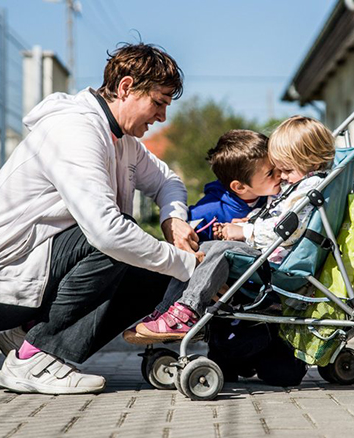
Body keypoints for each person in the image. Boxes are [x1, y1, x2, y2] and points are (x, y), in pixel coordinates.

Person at [0, 43, 203, 395]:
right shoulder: (75, 130)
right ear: (126, 87)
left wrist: (173, 220)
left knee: (150, 277)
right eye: (158, 102)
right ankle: (36, 360)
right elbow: (107, 234)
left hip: (28, 274)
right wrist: (186, 265)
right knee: (118, 237)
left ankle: (27, 336)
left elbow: (168, 181)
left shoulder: (122, 139)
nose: (162, 117)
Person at [136, 116, 335, 340]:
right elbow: (280, 219)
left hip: (279, 265)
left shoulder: (306, 190)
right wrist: (250, 223)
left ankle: (186, 313)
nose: (282, 176)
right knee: (208, 249)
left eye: (286, 169)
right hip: (268, 260)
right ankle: (171, 312)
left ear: (308, 161)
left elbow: (284, 230)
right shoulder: (302, 187)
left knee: (221, 250)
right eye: (276, 171)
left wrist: (245, 231)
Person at [122, 128, 280, 343]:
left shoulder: (275, 200)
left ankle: (171, 317)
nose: (279, 175)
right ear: (240, 186)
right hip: (216, 279)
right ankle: (166, 314)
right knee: (194, 256)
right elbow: (184, 239)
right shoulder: (210, 210)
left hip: (253, 279)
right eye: (271, 173)